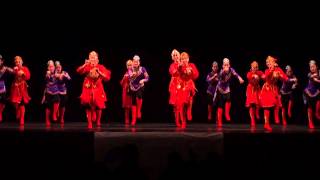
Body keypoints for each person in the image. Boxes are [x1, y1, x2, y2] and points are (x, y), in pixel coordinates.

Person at [77, 51, 111, 128]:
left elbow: (107, 78)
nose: (92, 57)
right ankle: (89, 122)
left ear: (97, 59)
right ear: (89, 58)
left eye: (94, 56)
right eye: (91, 56)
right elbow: (79, 71)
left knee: (98, 104)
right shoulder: (87, 66)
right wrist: (84, 64)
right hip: (88, 86)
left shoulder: (101, 67)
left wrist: (100, 73)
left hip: (98, 86)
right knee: (87, 104)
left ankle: (98, 120)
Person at [260, 56, 288, 130]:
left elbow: (285, 78)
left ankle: (276, 117)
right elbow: (266, 77)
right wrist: (272, 70)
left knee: (277, 103)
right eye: (267, 62)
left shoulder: (278, 69)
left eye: (269, 62)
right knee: (267, 106)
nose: (268, 63)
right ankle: (266, 124)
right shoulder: (267, 70)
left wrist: (280, 76)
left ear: (274, 62)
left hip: (274, 88)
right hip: (267, 88)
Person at [214, 58, 244, 127]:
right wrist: (220, 74)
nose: (226, 66)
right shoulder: (222, 71)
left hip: (227, 88)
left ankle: (227, 113)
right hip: (220, 89)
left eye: (227, 64)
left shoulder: (231, 70)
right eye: (225, 65)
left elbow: (236, 74)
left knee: (228, 100)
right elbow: (218, 77)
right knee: (220, 105)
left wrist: (240, 78)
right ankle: (219, 121)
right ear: (222, 66)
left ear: (229, 65)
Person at [128, 55, 149, 126]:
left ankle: (139, 110)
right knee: (133, 102)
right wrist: (132, 75)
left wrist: (143, 80)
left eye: (137, 62)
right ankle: (133, 120)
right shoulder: (130, 69)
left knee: (139, 96)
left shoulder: (143, 69)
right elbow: (130, 78)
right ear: (132, 62)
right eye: (134, 61)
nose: (135, 63)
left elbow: (147, 77)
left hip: (140, 86)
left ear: (139, 62)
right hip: (132, 87)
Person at [9, 56, 31, 126]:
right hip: (15, 88)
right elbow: (11, 73)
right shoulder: (15, 69)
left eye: (19, 62)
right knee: (15, 102)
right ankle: (17, 109)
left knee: (22, 103)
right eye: (16, 62)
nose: (17, 63)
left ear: (22, 62)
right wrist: (14, 71)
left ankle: (22, 118)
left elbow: (28, 77)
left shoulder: (25, 68)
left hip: (22, 88)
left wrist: (23, 73)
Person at [245, 61, 264, 127]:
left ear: (257, 68)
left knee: (259, 101)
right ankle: (252, 120)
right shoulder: (249, 73)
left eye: (256, 67)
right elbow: (249, 77)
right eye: (253, 67)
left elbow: (264, 76)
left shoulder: (259, 72)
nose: (254, 69)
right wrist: (254, 76)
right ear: (251, 68)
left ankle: (257, 113)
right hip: (250, 89)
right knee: (251, 105)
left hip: (257, 89)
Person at [303, 60, 320, 129]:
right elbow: (314, 78)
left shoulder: (319, 72)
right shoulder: (309, 74)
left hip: (317, 91)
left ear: (316, 66)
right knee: (310, 107)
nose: (312, 68)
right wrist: (316, 78)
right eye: (310, 67)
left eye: (313, 67)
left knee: (319, 101)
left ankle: (317, 112)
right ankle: (310, 122)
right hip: (308, 91)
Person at [42, 60, 60, 126]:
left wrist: (59, 76)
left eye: (52, 66)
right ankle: (47, 120)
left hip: (55, 91)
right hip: (49, 92)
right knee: (48, 107)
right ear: (48, 68)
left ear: (54, 67)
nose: (51, 68)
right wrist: (48, 75)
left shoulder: (56, 72)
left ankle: (54, 114)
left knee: (57, 100)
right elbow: (47, 78)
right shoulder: (47, 73)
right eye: (50, 67)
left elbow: (60, 77)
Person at [0, 54, 13, 122]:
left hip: (2, 86)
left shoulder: (5, 68)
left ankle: (0, 112)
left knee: (3, 101)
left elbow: (13, 71)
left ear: (2, 61)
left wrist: (12, 70)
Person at [120, 60, 133, 125]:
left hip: (132, 90)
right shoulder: (126, 73)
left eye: (130, 65)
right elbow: (121, 83)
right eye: (128, 65)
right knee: (126, 107)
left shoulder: (135, 72)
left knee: (133, 105)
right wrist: (124, 78)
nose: (129, 66)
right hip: (125, 90)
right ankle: (126, 119)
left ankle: (133, 119)